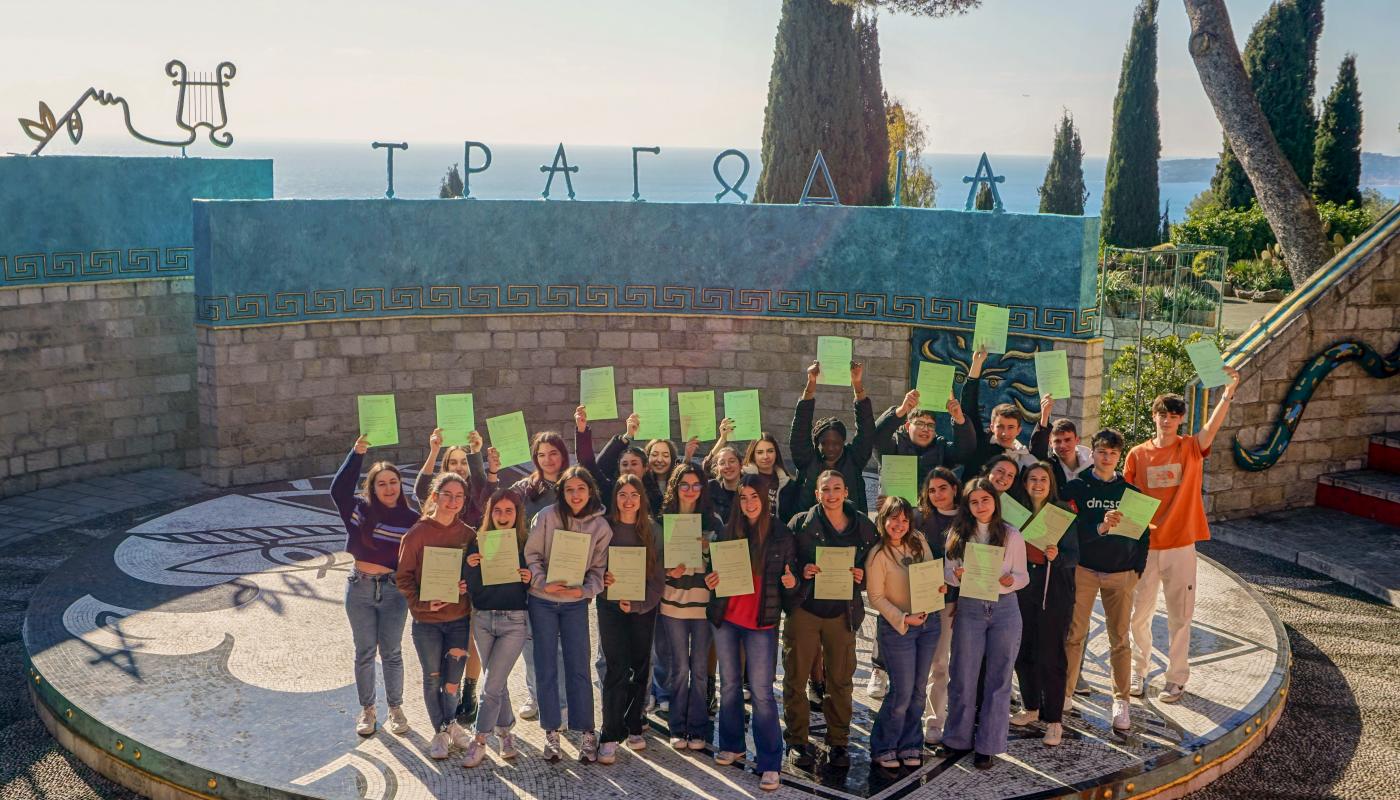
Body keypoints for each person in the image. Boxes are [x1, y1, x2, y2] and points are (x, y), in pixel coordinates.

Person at [1127, 371, 1239, 703]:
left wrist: (1228, 393)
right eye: (1163, 414)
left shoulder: (1190, 448)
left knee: (1180, 616)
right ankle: (1138, 669)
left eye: (1174, 416)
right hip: (1145, 547)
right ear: (1154, 415)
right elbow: (1129, 499)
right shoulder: (1136, 454)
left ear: (1180, 420)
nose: (1167, 420)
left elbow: (1212, 428)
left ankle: (1176, 678)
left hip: (1180, 547)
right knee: (1139, 616)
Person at [707, 474, 800, 792]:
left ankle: (770, 761)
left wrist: (793, 584)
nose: (748, 503)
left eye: (754, 497)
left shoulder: (781, 534)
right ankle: (733, 745)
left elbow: (791, 585)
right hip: (728, 619)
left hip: (761, 623)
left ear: (765, 499)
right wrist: (712, 580)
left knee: (761, 692)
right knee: (730, 685)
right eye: (743, 497)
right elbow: (714, 571)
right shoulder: (727, 530)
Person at [783, 471, 877, 770]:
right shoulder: (801, 523)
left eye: (837, 488)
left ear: (846, 491)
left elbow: (873, 562)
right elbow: (785, 562)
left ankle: (838, 742)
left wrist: (862, 578)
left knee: (840, 680)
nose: (832, 494)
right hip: (806, 609)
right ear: (817, 493)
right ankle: (798, 739)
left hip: (842, 612)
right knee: (796, 678)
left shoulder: (862, 524)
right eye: (826, 489)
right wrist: (802, 571)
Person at [1061, 430, 1151, 732]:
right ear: (1094, 453)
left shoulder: (1131, 492)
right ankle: (1066, 694)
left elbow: (1143, 535)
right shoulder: (1076, 487)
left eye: (1112, 453)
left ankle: (1121, 701)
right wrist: (1100, 526)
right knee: (1075, 634)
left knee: (1120, 639)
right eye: (1101, 451)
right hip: (1085, 569)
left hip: (1120, 573)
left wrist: (1137, 570)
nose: (1106, 457)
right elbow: (1069, 529)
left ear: (1119, 456)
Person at [936, 476, 1028, 769]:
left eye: (985, 500)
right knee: (962, 674)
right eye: (974, 502)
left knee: (999, 679)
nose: (980, 506)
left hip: (1004, 610)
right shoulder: (959, 533)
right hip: (971, 607)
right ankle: (956, 738)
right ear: (967, 505)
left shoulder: (1011, 535)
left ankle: (989, 744)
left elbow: (1023, 576)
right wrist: (957, 576)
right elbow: (948, 573)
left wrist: (1010, 580)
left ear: (994, 501)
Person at [331, 435, 419, 738]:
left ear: (399, 485)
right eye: (381, 483)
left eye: (393, 482)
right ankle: (368, 711)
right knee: (365, 652)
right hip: (360, 588)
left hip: (394, 592)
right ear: (373, 487)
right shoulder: (358, 511)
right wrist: (357, 453)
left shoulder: (411, 520)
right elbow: (337, 489)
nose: (388, 488)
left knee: (392, 652)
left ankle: (396, 709)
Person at [523, 466, 612, 762]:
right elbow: (531, 554)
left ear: (590, 491)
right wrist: (541, 580)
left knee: (578, 665)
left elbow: (599, 571)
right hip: (542, 600)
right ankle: (551, 732)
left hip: (574, 603)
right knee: (545, 665)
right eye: (569, 489)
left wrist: (584, 591)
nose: (575, 495)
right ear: (562, 491)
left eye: (581, 489)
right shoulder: (547, 516)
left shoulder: (601, 528)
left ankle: (587, 731)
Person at [415, 427, 493, 730]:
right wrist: (434, 450)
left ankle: (470, 691)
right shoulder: (440, 497)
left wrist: (477, 454)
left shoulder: (474, 497)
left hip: (473, 571)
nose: (459, 467)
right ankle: (454, 688)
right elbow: (421, 489)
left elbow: (487, 490)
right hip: (443, 574)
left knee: (472, 635)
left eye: (463, 462)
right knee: (453, 633)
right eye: (453, 462)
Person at [395, 472, 473, 759]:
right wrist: (423, 604)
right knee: (432, 678)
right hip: (427, 622)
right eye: (447, 495)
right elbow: (402, 578)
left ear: (464, 501)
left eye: (459, 496)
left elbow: (475, 573)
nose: (452, 501)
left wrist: (467, 584)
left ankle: (449, 725)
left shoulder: (468, 534)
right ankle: (441, 732)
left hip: (458, 619)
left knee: (453, 681)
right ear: (435, 497)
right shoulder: (417, 534)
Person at [865, 496, 946, 770]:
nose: (899, 524)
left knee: (918, 690)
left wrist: (940, 588)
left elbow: (932, 573)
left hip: (928, 623)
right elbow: (876, 597)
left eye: (904, 519)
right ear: (883, 520)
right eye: (893, 519)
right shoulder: (878, 555)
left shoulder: (918, 541)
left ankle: (911, 743)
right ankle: (884, 745)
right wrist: (903, 618)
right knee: (900, 693)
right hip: (898, 629)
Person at [597, 475, 668, 764]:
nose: (628, 500)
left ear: (642, 499)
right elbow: (593, 566)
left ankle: (634, 725)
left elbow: (659, 577)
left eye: (634, 495)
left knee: (640, 667)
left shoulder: (653, 530)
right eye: (622, 494)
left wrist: (639, 604)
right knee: (616, 667)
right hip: (610, 606)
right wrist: (603, 579)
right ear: (615, 498)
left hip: (643, 607)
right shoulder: (605, 528)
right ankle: (610, 732)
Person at [459, 488, 532, 767]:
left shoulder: (525, 543)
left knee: (490, 684)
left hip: (514, 621)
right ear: (490, 514)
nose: (503, 516)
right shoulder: (479, 543)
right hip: (483, 620)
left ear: (517, 514)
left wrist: (529, 578)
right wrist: (470, 567)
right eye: (497, 511)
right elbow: (472, 590)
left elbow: (532, 583)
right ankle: (505, 732)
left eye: (509, 511)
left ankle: (479, 741)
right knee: (496, 681)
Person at [1008, 461, 1078, 747]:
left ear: (1051, 484)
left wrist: (1056, 555)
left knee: (1051, 655)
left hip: (1054, 590)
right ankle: (1031, 706)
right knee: (1024, 650)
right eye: (1032, 479)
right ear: (1025, 483)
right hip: (1023, 587)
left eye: (1043, 480)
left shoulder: (1062, 513)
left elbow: (1074, 555)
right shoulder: (1015, 514)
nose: (1038, 484)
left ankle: (1054, 720)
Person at [507, 429, 571, 722]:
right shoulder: (524, 488)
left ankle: (561, 698)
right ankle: (535, 694)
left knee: (561, 642)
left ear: (563, 454)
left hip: (567, 570)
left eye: (553, 453)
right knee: (531, 640)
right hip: (532, 574)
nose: (547, 460)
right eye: (541, 454)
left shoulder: (574, 485)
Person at [658, 465, 723, 751]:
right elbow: (650, 564)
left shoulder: (713, 521)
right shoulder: (661, 522)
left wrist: (709, 554)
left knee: (699, 669)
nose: (691, 490)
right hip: (672, 603)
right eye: (684, 484)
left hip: (702, 605)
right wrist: (666, 571)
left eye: (696, 485)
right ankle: (677, 726)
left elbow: (725, 565)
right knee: (679, 668)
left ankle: (697, 728)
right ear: (675, 487)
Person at [789, 360, 876, 514]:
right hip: (810, 533)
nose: (830, 448)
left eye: (836, 443)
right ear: (816, 443)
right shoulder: (806, 460)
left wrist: (857, 383)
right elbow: (800, 427)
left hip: (850, 531)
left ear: (843, 442)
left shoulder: (854, 458)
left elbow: (866, 429)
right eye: (825, 443)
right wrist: (811, 383)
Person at [914, 466, 961, 745]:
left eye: (942, 488)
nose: (937, 494)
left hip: (950, 602)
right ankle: (911, 717)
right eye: (932, 490)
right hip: (918, 598)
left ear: (955, 488)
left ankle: (934, 720)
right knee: (917, 663)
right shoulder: (919, 517)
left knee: (941, 663)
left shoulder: (967, 518)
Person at [872, 388, 975, 489]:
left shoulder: (941, 447)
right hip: (898, 505)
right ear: (908, 426)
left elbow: (964, 453)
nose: (925, 429)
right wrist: (902, 410)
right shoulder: (894, 445)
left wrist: (960, 420)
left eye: (930, 425)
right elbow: (876, 438)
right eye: (919, 423)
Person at [961, 346, 1038, 477]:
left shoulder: (1024, 457)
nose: (1004, 433)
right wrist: (977, 363)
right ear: (991, 427)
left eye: (1011, 427)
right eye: (1000, 426)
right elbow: (969, 406)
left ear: (1019, 430)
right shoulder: (980, 443)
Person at [742, 433, 801, 521]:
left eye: (770, 451)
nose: (765, 456)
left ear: (776, 453)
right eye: (760, 452)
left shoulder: (788, 484)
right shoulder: (742, 478)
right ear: (753, 455)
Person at [707, 442, 743, 524]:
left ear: (741, 464)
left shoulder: (751, 490)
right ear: (717, 468)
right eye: (722, 463)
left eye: (732, 461)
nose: (727, 466)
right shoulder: (710, 489)